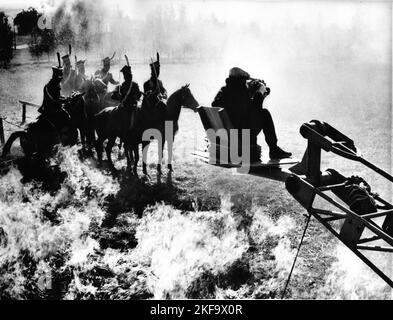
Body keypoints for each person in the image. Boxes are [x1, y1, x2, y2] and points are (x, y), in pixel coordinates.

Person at [212, 67, 292, 160]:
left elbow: (239, 108)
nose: (246, 83)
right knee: (264, 113)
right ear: (241, 80)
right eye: (245, 80)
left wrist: (250, 93)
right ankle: (273, 149)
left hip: (227, 133)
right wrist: (260, 93)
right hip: (241, 134)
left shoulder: (224, 91)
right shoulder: (240, 92)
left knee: (261, 114)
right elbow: (255, 110)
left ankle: (274, 149)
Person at [38, 66, 73, 131]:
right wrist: (66, 100)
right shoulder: (52, 85)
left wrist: (66, 97)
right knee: (67, 118)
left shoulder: (53, 83)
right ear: (55, 76)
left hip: (50, 108)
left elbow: (58, 96)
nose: (61, 78)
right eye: (60, 76)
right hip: (53, 109)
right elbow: (56, 99)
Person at [142, 52, 167, 117]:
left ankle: (168, 127)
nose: (158, 73)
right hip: (149, 106)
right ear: (152, 72)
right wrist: (154, 93)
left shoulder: (159, 82)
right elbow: (147, 96)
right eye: (156, 71)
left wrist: (164, 94)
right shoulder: (146, 84)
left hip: (159, 104)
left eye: (158, 71)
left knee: (168, 111)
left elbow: (164, 90)